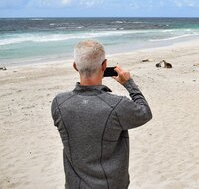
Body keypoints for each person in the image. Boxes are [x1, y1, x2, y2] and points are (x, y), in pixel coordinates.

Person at [51, 39, 152, 189]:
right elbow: (145, 112)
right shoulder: (117, 105)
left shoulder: (59, 103)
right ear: (104, 65)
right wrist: (129, 83)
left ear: (75, 66)